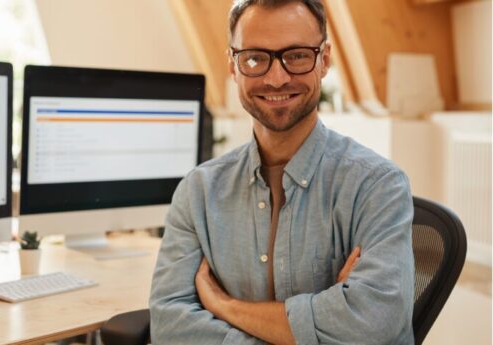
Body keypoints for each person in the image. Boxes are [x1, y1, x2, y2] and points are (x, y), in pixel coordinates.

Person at [149, 0, 415, 344]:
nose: (277, 78)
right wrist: (321, 321)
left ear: (325, 60)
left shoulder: (378, 186)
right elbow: (170, 325)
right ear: (233, 66)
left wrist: (224, 306)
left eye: (298, 56)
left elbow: (372, 324)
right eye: (256, 58)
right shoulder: (198, 191)